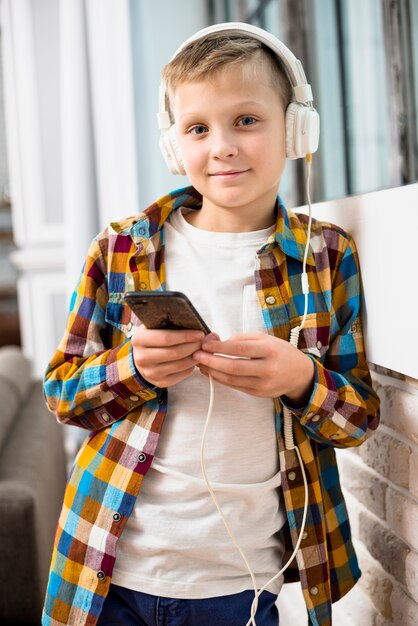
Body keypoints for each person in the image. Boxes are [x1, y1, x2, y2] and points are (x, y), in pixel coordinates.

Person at [41, 22, 380, 626]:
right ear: (175, 144)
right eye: (198, 128)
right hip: (107, 570)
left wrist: (301, 379)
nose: (221, 145)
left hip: (239, 584)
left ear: (297, 131)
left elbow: (358, 421)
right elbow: (64, 397)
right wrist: (133, 369)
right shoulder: (120, 249)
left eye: (246, 120)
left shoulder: (327, 257)